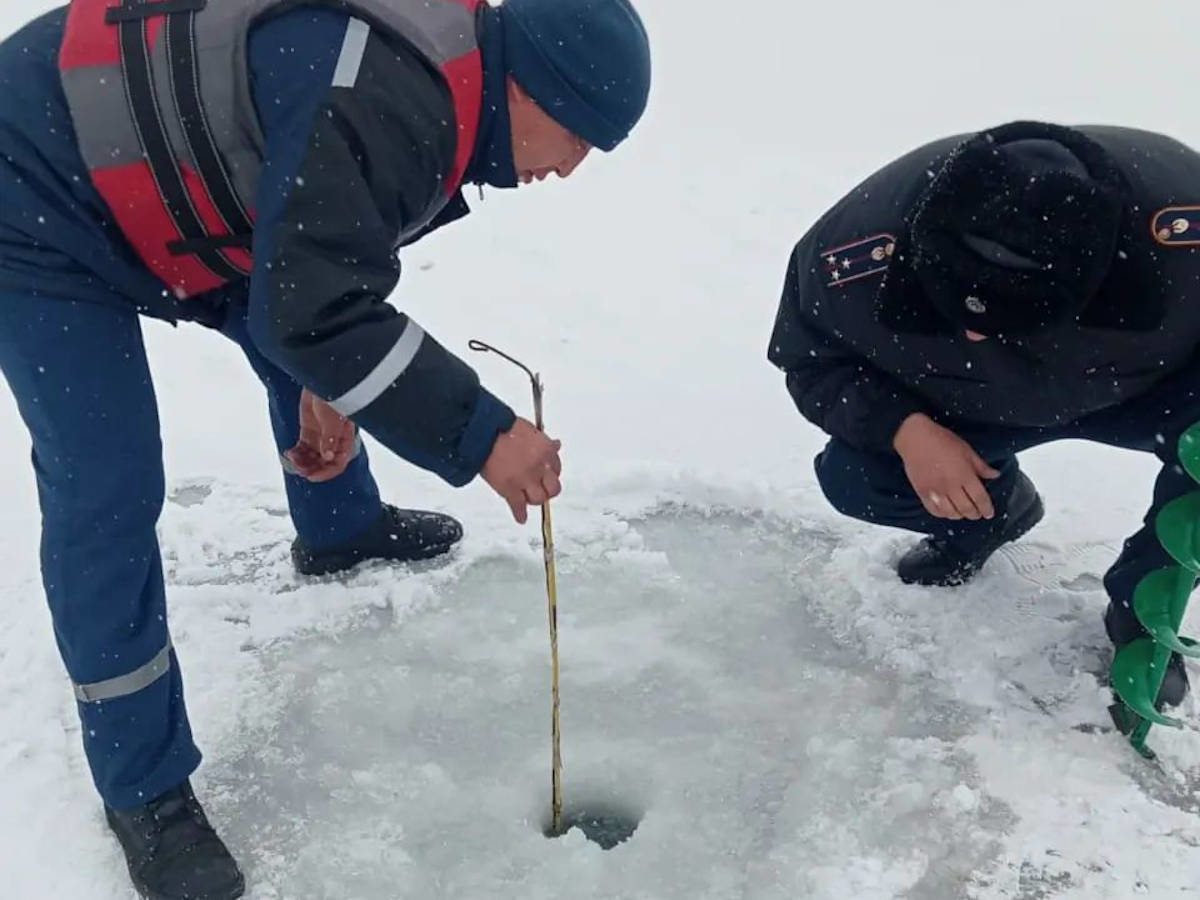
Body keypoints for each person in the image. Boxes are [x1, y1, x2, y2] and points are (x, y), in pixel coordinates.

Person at [0, 0, 651, 895]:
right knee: (104, 482)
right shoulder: (394, 96)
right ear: (524, 85)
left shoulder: (433, 80)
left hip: (172, 179)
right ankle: (143, 790)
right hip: (34, 180)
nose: (572, 167)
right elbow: (312, 305)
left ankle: (339, 528)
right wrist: (486, 434)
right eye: (579, 133)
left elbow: (321, 249)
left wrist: (325, 370)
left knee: (309, 340)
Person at [769, 120, 1200, 725]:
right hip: (963, 402)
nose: (973, 332)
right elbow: (809, 362)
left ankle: (1142, 605)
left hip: (1142, 390)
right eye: (956, 306)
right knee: (855, 474)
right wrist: (905, 428)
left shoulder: (1184, 230)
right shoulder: (853, 253)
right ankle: (989, 515)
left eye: (1006, 317)